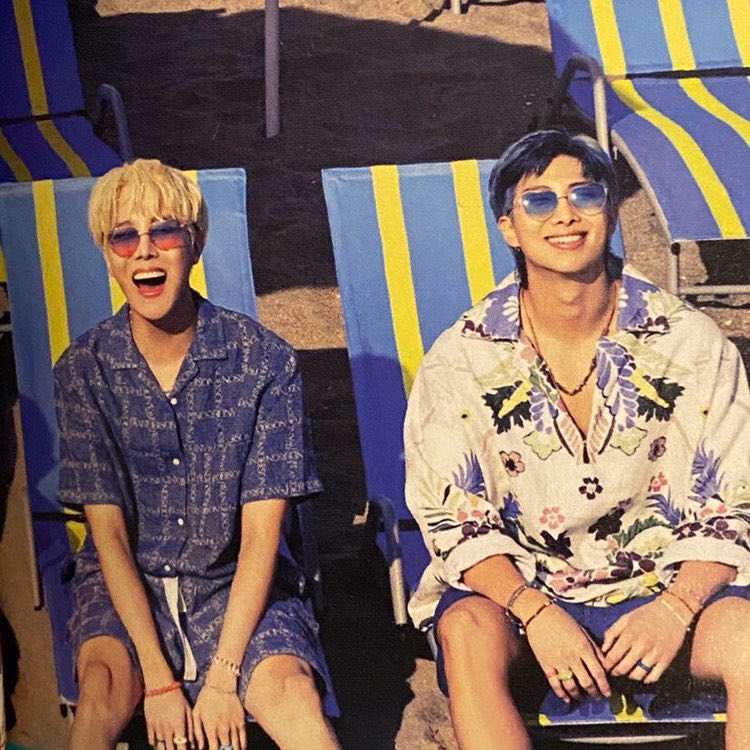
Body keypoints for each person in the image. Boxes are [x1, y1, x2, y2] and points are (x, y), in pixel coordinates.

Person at [404, 129, 750, 749]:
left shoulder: (691, 343)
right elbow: (449, 516)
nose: (564, 214)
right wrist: (535, 612)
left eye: (584, 195)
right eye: (538, 200)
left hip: (668, 591)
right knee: (467, 634)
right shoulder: (461, 356)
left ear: (611, 214)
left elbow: (737, 498)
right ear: (509, 228)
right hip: (523, 600)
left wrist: (675, 607)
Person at [56, 159, 341, 750]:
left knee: (293, 695)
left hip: (234, 580)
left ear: (196, 243)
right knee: (102, 689)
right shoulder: (84, 371)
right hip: (125, 584)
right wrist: (160, 682)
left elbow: (261, 538)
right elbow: (108, 537)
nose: (144, 250)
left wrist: (224, 676)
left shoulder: (265, 362)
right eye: (124, 237)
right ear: (108, 256)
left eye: (164, 231)